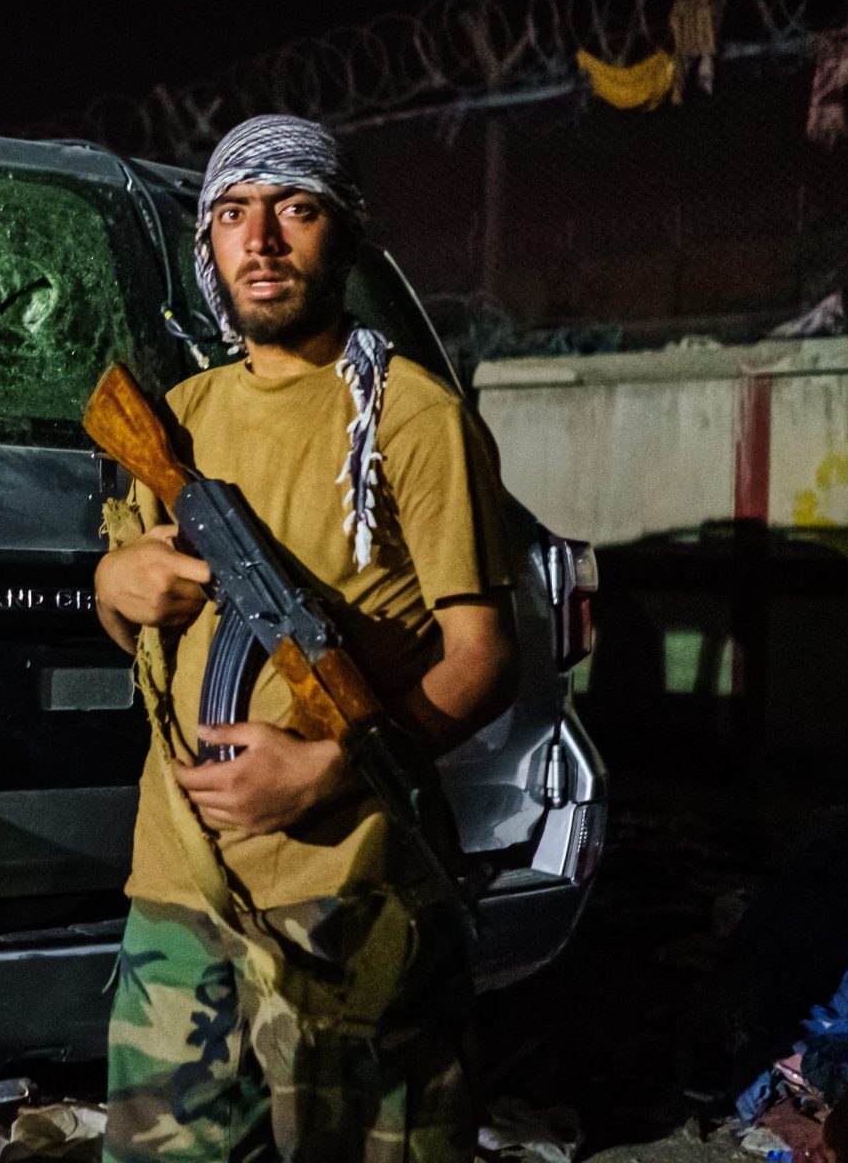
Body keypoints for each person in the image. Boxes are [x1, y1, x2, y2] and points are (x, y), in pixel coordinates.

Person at [92, 115, 519, 1163]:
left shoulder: (412, 416)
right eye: (233, 214)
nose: (262, 239)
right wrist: (115, 578)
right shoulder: (178, 417)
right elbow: (132, 624)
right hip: (180, 885)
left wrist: (325, 770)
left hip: (349, 900)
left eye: (297, 209)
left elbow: (483, 656)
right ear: (209, 247)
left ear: (345, 238)